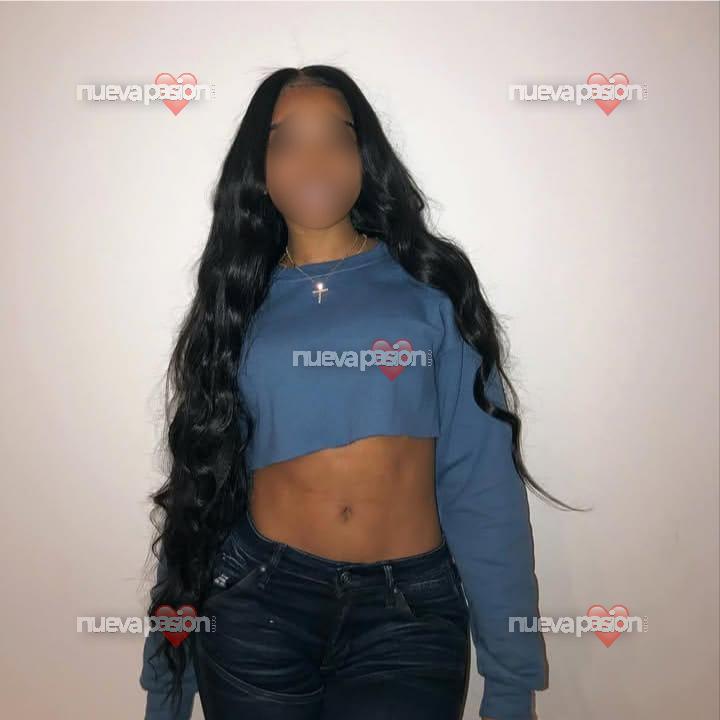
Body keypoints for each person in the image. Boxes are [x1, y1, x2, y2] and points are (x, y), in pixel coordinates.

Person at [139, 64, 579, 720]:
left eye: (335, 138)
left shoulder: (432, 289)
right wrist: (167, 682)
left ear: (363, 155)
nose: (313, 161)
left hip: (407, 619)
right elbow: (199, 490)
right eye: (287, 142)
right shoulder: (235, 302)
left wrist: (512, 683)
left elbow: (481, 487)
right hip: (256, 606)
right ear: (258, 168)